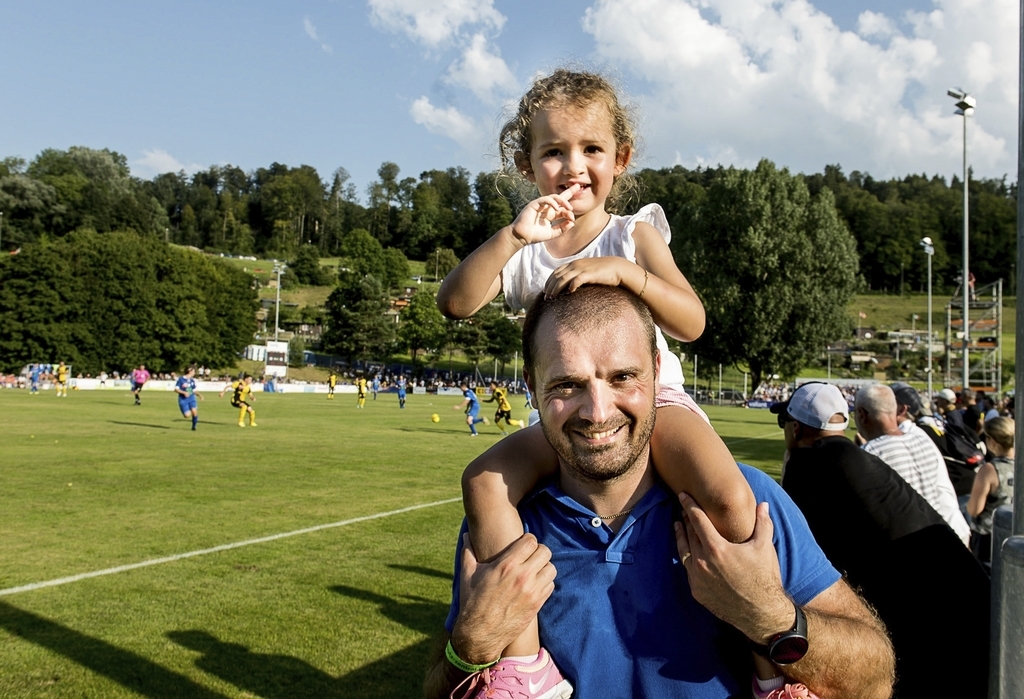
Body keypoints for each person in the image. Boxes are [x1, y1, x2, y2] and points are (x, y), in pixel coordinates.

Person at [434, 68, 756, 684]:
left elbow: (691, 322)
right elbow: (455, 303)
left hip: (653, 404)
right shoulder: (526, 250)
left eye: (590, 149)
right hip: (564, 417)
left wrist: (629, 275)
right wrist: (512, 235)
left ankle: (770, 664)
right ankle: (523, 667)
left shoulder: (632, 235)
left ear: (620, 158)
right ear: (528, 167)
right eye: (552, 151)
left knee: (731, 497)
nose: (572, 166)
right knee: (482, 482)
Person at [425, 285, 894, 699]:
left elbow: (874, 681)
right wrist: (469, 646)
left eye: (622, 378)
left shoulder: (752, 500)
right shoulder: (504, 519)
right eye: (568, 384)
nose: (597, 411)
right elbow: (441, 686)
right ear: (531, 386)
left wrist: (772, 618)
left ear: (655, 372)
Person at [776, 382, 990, 698]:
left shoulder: (810, 465)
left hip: (929, 628)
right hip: (969, 603)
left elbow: (796, 557)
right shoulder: (857, 459)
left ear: (796, 428)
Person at [855, 384, 970, 545]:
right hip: (948, 534)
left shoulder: (871, 453)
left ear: (861, 415)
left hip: (914, 544)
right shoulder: (921, 438)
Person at [967, 416, 1015, 563]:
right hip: (1016, 533)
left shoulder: (989, 470)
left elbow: (974, 509)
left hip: (989, 538)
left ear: (992, 442)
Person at [175, 366, 204, 430]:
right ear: (189, 371)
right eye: (193, 371)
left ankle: (194, 427)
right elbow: (176, 389)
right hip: (183, 399)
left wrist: (199, 395)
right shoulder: (181, 379)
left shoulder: (192, 380)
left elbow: (192, 390)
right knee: (187, 415)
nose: (194, 373)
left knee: (194, 412)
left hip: (191, 398)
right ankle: (186, 411)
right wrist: (184, 393)